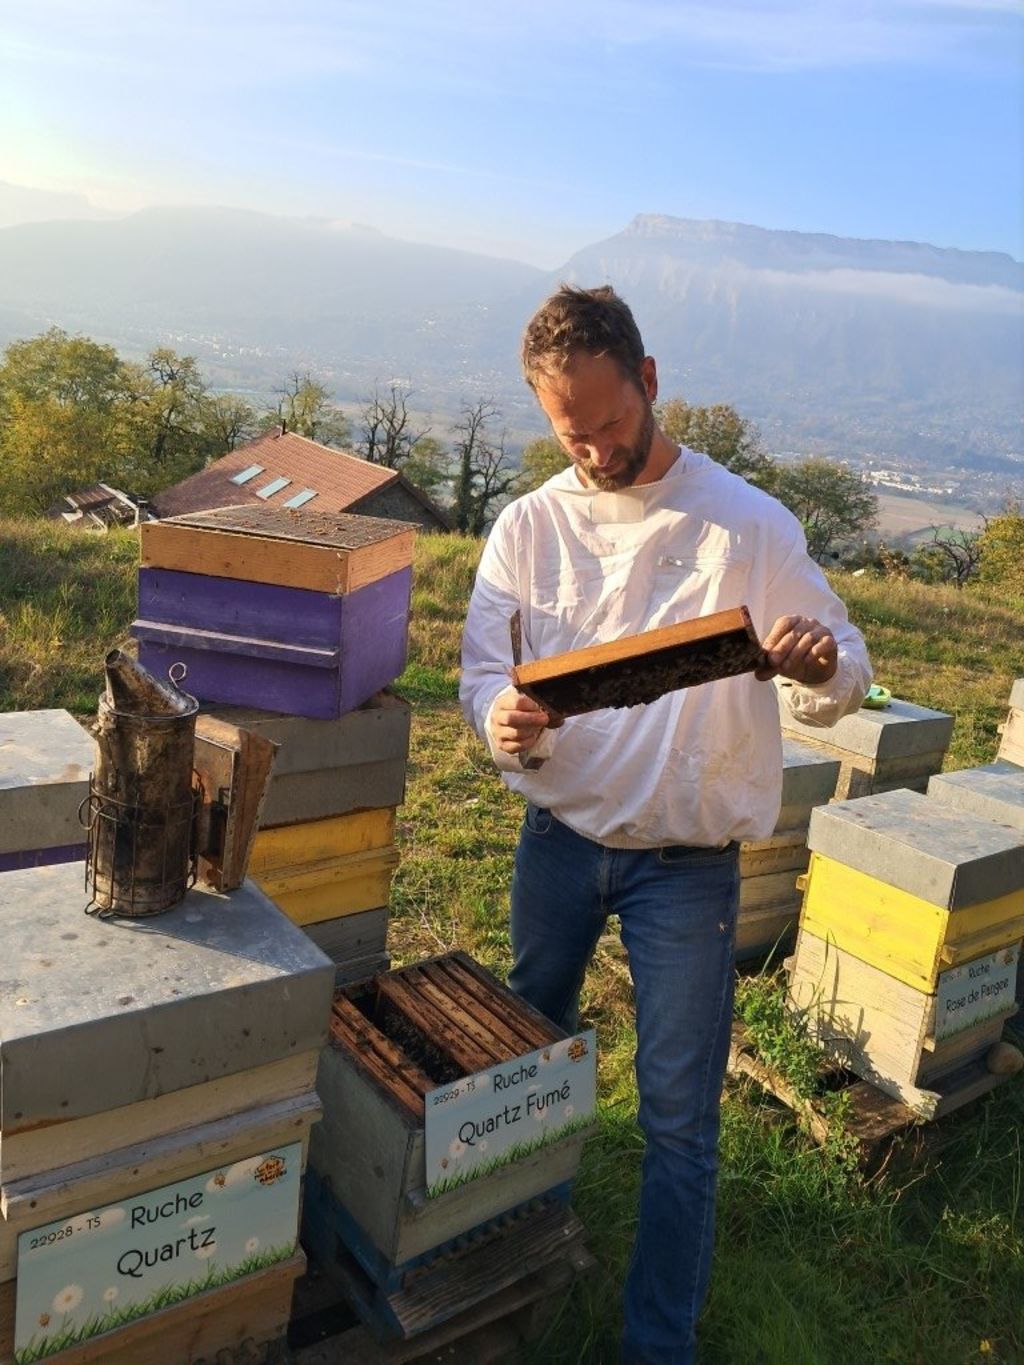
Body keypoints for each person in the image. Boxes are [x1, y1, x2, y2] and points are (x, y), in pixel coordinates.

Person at [459, 285, 871, 1365]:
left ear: (648, 382)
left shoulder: (748, 522)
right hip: (557, 845)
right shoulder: (529, 526)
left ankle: (658, 1345)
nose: (592, 449)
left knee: (679, 1120)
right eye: (568, 430)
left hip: (686, 867)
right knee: (520, 1064)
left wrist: (819, 669)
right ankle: (495, 1272)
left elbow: (844, 661)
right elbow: (481, 680)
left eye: (607, 423)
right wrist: (503, 720)